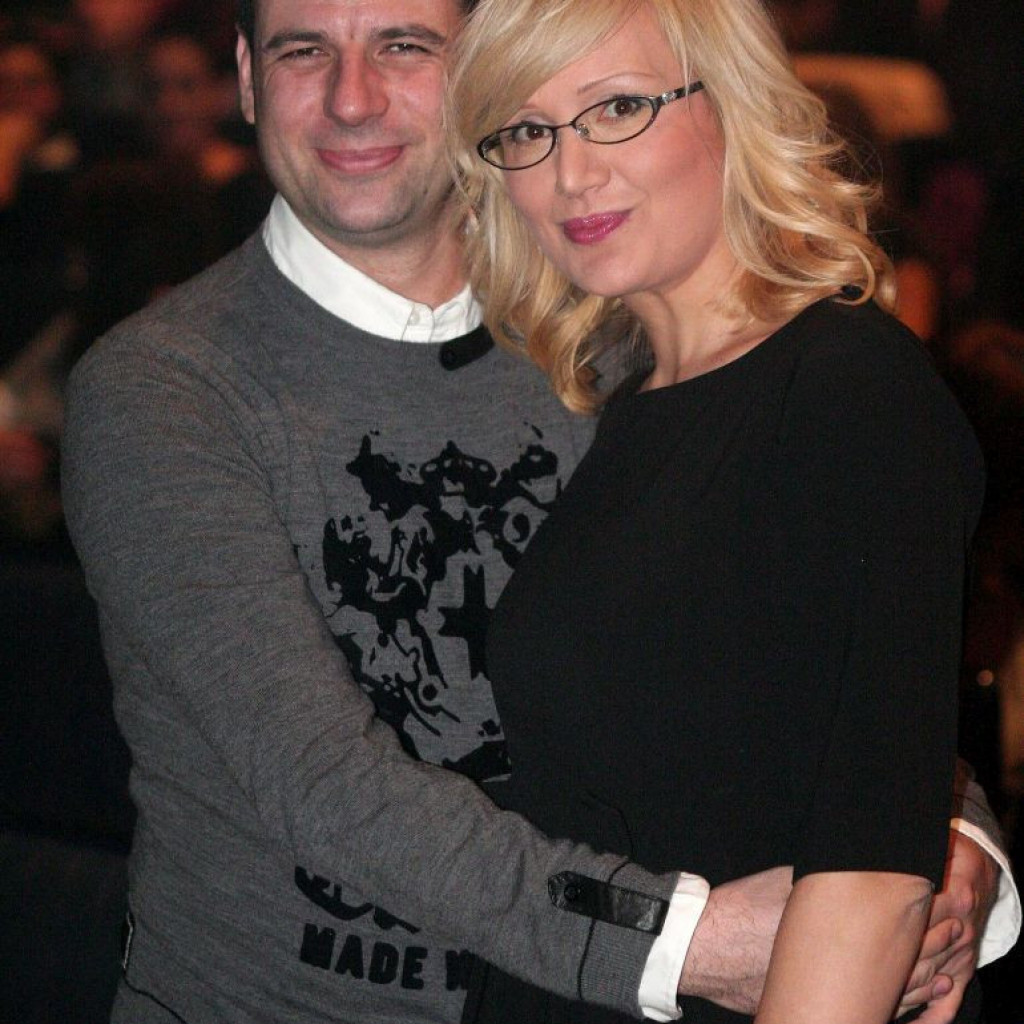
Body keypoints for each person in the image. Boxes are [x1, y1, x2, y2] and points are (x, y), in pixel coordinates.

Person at [59, 1, 1018, 1022]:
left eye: (403, 45)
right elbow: (322, 780)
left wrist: (941, 833)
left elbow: (811, 648)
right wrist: (688, 939)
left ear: (481, 71)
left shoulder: (610, 342)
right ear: (248, 78)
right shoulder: (164, 386)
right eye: (305, 51)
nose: (352, 98)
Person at [446, 0, 1018, 1021]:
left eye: (618, 107)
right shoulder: (623, 398)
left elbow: (869, 878)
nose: (571, 173)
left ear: (735, 106)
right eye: (528, 129)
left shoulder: (847, 389)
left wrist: (952, 832)